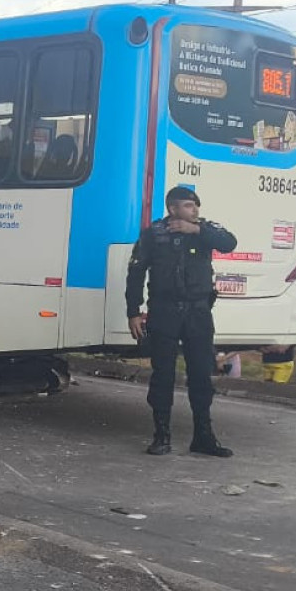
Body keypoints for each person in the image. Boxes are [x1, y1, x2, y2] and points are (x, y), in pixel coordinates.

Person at [124, 184, 238, 457]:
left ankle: (203, 436)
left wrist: (197, 229)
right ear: (173, 208)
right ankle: (161, 435)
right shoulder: (154, 234)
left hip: (198, 312)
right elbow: (136, 273)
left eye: (196, 205)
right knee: (163, 375)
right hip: (164, 312)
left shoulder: (206, 230)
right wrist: (133, 311)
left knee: (201, 375)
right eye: (188, 205)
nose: (194, 209)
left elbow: (230, 242)